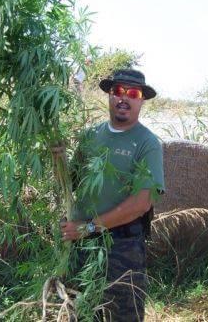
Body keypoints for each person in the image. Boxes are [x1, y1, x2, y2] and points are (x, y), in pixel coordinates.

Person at [60, 69, 165, 322]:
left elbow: (141, 203)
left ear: (141, 100)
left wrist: (88, 227)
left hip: (121, 248)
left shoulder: (147, 143)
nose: (123, 98)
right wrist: (57, 158)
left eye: (133, 93)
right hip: (80, 245)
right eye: (117, 91)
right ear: (109, 95)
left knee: (120, 315)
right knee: (80, 312)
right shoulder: (90, 136)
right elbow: (71, 183)